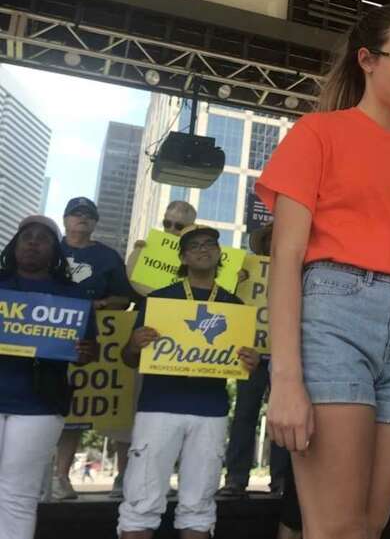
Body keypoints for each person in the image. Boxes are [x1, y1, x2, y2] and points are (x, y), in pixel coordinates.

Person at [255, 4, 390, 539]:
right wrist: (285, 379)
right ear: (367, 59)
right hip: (337, 314)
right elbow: (286, 262)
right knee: (336, 529)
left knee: (370, 528)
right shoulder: (318, 133)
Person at [117, 225, 260, 539]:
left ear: (220, 254)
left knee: (199, 506)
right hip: (158, 408)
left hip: (210, 411)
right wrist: (132, 344)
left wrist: (252, 363)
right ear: (182, 256)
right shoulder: (158, 300)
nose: (203, 248)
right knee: (141, 502)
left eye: (210, 243)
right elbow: (129, 359)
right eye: (194, 245)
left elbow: (244, 367)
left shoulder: (234, 307)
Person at [0, 215, 98, 538]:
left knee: (18, 495)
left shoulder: (75, 298)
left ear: (55, 251)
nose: (32, 242)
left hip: (40, 407)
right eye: (27, 236)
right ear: (15, 245)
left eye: (42, 238)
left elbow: (89, 351)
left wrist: (85, 353)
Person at [110, 200, 198, 499]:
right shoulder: (147, 251)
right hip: (147, 333)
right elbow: (129, 286)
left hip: (184, 342)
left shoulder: (200, 258)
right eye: (168, 223)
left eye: (180, 226)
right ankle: (123, 476)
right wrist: (138, 255)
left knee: (173, 411)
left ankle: (164, 476)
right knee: (134, 406)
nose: (172, 230)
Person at [52, 196, 134, 501]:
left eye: (88, 215)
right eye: (76, 213)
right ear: (65, 219)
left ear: (95, 222)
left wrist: (96, 304)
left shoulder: (108, 257)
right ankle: (51, 477)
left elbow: (124, 298)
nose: (82, 218)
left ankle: (116, 477)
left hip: (96, 344)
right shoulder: (49, 249)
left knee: (90, 407)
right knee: (53, 411)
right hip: (50, 341)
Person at [219, 223, 290, 497]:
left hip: (283, 355)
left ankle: (280, 479)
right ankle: (236, 478)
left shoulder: (298, 271)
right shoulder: (245, 273)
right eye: (271, 239)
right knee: (245, 415)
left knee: (282, 418)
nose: (275, 242)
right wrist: (235, 281)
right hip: (251, 356)